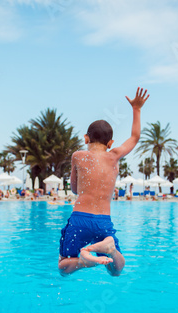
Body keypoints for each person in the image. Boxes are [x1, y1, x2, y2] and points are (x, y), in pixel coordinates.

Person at [58, 87, 149, 277]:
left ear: (86, 138)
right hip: (103, 221)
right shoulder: (114, 155)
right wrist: (136, 109)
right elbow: (135, 137)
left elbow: (74, 189)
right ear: (110, 143)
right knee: (116, 270)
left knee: (64, 267)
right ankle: (110, 249)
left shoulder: (78, 156)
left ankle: (85, 261)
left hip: (79, 218)